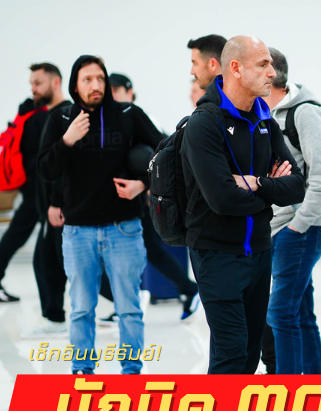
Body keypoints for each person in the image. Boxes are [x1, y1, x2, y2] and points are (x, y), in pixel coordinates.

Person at [181, 36, 304, 411]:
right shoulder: (204, 124)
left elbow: (296, 185)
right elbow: (220, 199)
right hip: (216, 253)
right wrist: (267, 187)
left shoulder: (264, 117)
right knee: (230, 349)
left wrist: (252, 183)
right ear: (235, 68)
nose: (272, 72)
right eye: (263, 64)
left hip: (259, 251)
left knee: (250, 351)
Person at [38, 55, 164, 375]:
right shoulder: (61, 118)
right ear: (75, 86)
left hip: (123, 229)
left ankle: (131, 372)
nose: (96, 85)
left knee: (129, 309)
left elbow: (165, 153)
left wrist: (143, 184)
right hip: (77, 231)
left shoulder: (128, 114)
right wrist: (67, 140)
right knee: (81, 309)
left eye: (100, 78)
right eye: (87, 79)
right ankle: (83, 371)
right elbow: (46, 170)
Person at [97, 72, 201, 324]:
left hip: (137, 200)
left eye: (117, 91)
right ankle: (134, 301)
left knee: (136, 252)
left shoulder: (140, 118)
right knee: (140, 252)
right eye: (109, 91)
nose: (112, 96)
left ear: (130, 92)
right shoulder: (103, 122)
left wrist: (146, 187)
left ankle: (134, 301)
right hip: (111, 201)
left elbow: (162, 156)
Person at [262, 47, 321, 375]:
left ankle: (289, 393)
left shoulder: (304, 113)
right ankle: (316, 388)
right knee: (301, 314)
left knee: (280, 313)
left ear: (270, 75)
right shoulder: (264, 114)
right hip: (282, 228)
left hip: (302, 228)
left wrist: (299, 225)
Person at [3, 64, 70, 338]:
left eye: (38, 83)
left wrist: (56, 202)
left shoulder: (63, 115)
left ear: (55, 83)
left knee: (60, 263)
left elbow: (58, 165)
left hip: (57, 203)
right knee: (45, 261)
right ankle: (55, 319)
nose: (33, 88)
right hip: (43, 201)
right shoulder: (37, 116)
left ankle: (127, 302)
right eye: (32, 83)